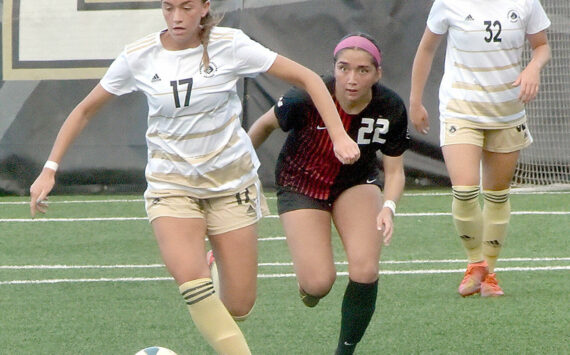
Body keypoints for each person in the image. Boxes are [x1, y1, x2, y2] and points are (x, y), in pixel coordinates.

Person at [28, 1, 360, 354]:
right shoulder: (139, 55)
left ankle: (215, 267)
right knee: (193, 284)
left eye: (186, 7)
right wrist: (50, 168)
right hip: (170, 186)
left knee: (239, 307)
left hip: (231, 184)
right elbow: (84, 110)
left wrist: (339, 136)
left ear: (204, 8)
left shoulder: (230, 45)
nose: (176, 17)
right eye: (168, 7)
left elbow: (308, 78)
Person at [249, 33, 409, 355]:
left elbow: (394, 170)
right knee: (318, 284)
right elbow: (262, 127)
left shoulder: (389, 106)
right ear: (333, 68)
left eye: (363, 70)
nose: (351, 79)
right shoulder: (305, 98)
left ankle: (345, 351)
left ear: (377, 73)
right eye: (343, 68)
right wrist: (241, 174)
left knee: (365, 269)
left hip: (356, 183)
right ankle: (309, 284)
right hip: (301, 182)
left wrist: (388, 206)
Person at [409, 0, 551, 297]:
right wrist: (415, 101)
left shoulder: (525, 2)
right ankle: (475, 263)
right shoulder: (448, 3)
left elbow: (542, 46)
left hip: (507, 111)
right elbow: (426, 48)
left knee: (497, 195)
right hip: (460, 108)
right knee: (465, 189)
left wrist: (533, 68)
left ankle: (490, 274)